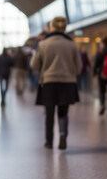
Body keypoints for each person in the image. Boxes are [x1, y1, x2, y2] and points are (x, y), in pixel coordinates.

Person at [30, 16, 82, 150]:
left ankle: (49, 141)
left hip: (49, 82)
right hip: (67, 83)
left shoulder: (43, 44)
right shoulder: (71, 44)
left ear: (52, 27)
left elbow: (34, 65)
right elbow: (79, 67)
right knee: (63, 112)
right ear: (64, 28)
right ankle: (63, 134)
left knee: (49, 113)